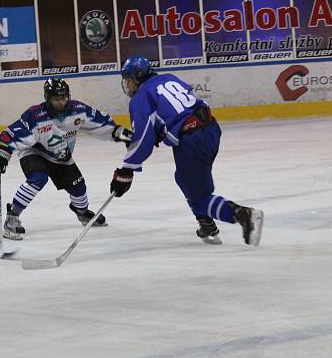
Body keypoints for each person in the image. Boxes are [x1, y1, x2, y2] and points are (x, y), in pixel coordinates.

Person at [110, 55, 264, 246]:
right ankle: (205, 223)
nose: (127, 84)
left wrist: (126, 170)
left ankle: (243, 215)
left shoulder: (140, 99)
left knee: (200, 198)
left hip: (191, 140)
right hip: (211, 129)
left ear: (136, 78)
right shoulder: (168, 78)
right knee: (184, 179)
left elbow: (143, 140)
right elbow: (184, 106)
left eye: (128, 79)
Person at [0, 78, 133, 240]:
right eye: (56, 98)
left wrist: (117, 132)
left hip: (61, 155)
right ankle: (13, 216)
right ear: (47, 98)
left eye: (64, 97)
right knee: (38, 179)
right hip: (34, 152)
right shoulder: (35, 114)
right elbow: (10, 133)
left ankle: (82, 213)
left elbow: (101, 122)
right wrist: (2, 152)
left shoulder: (78, 110)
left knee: (79, 188)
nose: (61, 102)